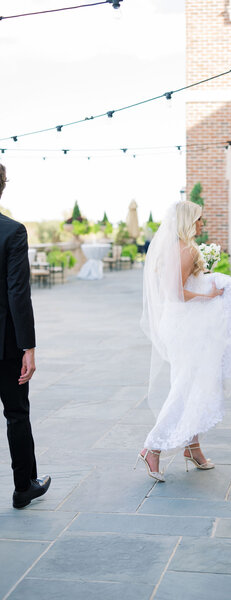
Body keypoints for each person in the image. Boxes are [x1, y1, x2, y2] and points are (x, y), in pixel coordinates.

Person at [136, 200, 231, 481]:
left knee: (194, 384)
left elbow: (182, 283)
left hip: (179, 325)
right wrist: (210, 296)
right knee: (185, 386)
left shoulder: (175, 248)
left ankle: (193, 447)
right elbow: (175, 292)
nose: (202, 224)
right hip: (186, 327)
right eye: (199, 219)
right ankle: (152, 448)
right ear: (188, 221)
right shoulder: (187, 249)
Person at [0, 164, 51, 508]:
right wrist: (28, 347)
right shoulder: (12, 232)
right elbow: (19, 294)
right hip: (5, 345)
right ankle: (23, 487)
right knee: (16, 413)